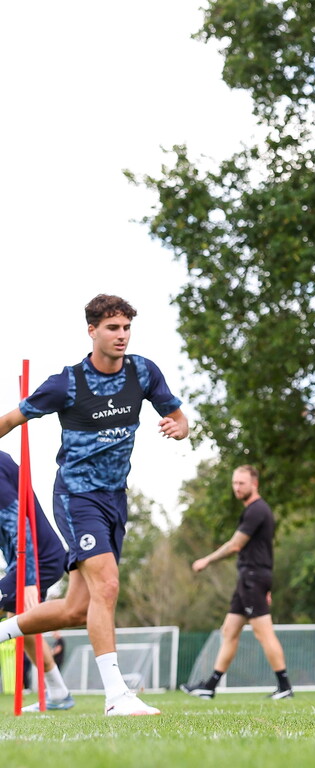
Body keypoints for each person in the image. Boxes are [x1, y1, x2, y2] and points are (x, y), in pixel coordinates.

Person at [0, 294, 190, 716]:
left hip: (114, 499)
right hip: (75, 495)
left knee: (75, 609)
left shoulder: (143, 372)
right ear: (92, 331)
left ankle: (4, 630)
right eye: (112, 328)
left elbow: (179, 416)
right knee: (108, 584)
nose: (121, 336)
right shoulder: (67, 382)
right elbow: (12, 419)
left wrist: (179, 427)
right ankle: (116, 696)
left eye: (126, 328)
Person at [180, 465, 293, 700]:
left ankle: (285, 687)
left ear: (255, 484)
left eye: (241, 483)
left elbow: (235, 545)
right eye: (234, 483)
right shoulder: (254, 510)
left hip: (253, 578)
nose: (236, 487)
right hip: (250, 579)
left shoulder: (256, 510)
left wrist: (207, 560)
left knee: (264, 633)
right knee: (229, 631)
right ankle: (209, 686)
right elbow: (265, 550)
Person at [0, 451, 74, 710]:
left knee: (19, 621)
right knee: (22, 625)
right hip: (27, 560)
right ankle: (59, 693)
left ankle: (81, 610)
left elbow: (18, 525)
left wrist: (29, 578)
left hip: (37, 560)